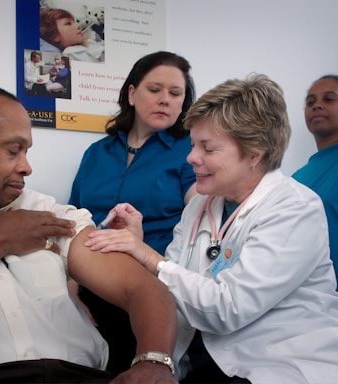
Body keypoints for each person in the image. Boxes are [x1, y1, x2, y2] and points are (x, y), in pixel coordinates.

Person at [84, 73, 338, 383]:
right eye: (193, 145)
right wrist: (156, 358)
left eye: (208, 148)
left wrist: (148, 255)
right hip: (201, 358)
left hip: (275, 362)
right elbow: (172, 289)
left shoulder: (295, 208)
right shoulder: (200, 206)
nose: (191, 157)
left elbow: (227, 308)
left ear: (255, 154)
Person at [0, 80, 178, 384]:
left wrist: (153, 360)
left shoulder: (47, 214)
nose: (27, 167)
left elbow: (142, 288)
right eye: (13, 150)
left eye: (26, 151)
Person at [68, 51, 197, 375]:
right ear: (131, 93)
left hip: (155, 286)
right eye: (155, 89)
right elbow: (72, 220)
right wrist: (70, 287)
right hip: (91, 281)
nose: (165, 100)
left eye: (175, 93)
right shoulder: (97, 152)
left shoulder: (192, 152)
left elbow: (202, 218)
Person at [292, 74, 338, 286]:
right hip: (310, 302)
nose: (317, 105)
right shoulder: (296, 179)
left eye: (329, 99)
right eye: (311, 102)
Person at [40, 8, 104, 63]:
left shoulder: (82, 46)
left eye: (74, 22)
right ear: (54, 37)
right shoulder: (72, 53)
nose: (78, 26)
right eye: (68, 23)